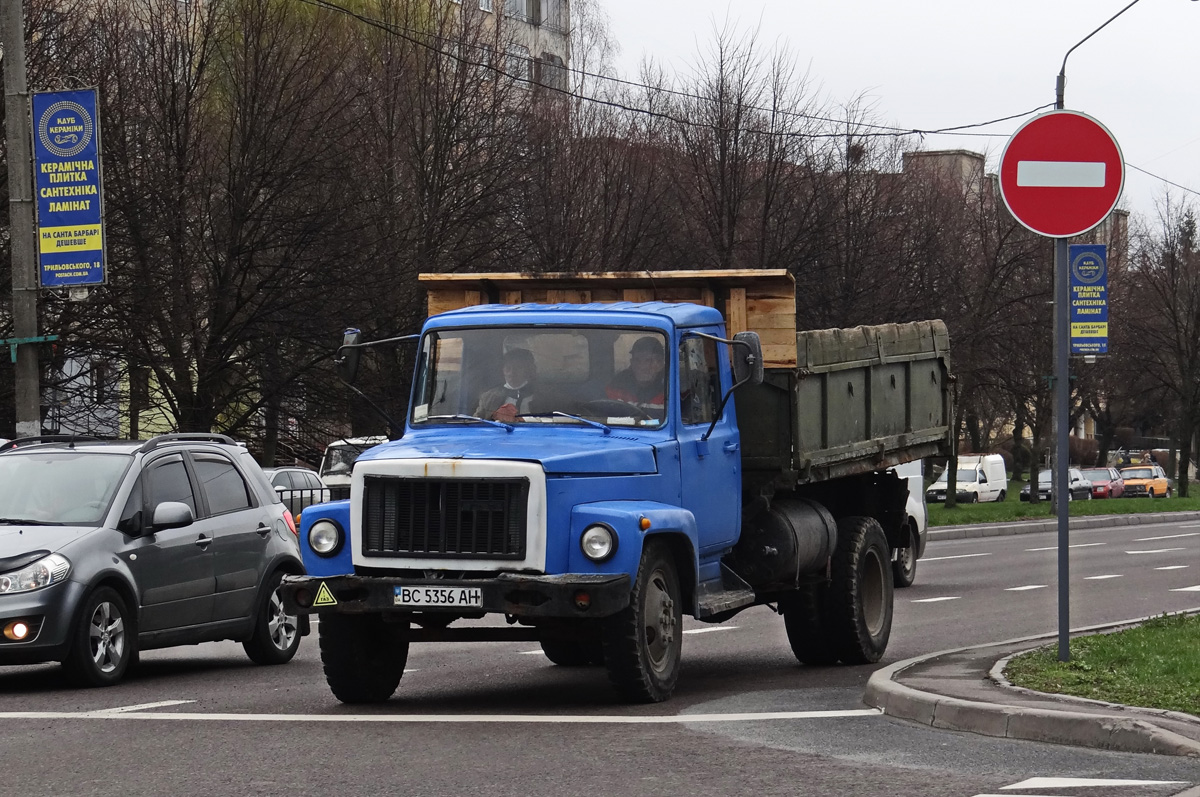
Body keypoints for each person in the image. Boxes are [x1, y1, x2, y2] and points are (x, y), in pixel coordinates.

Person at [606, 335, 666, 417]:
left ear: (660, 364)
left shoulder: (670, 389)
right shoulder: (617, 386)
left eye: (648, 361)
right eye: (637, 360)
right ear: (631, 362)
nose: (642, 366)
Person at [474, 348, 538, 422]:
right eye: (508, 368)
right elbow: (475, 424)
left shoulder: (543, 396)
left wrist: (524, 420)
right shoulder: (488, 398)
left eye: (518, 368)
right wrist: (494, 417)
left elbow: (551, 420)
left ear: (528, 370)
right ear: (503, 370)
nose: (512, 373)